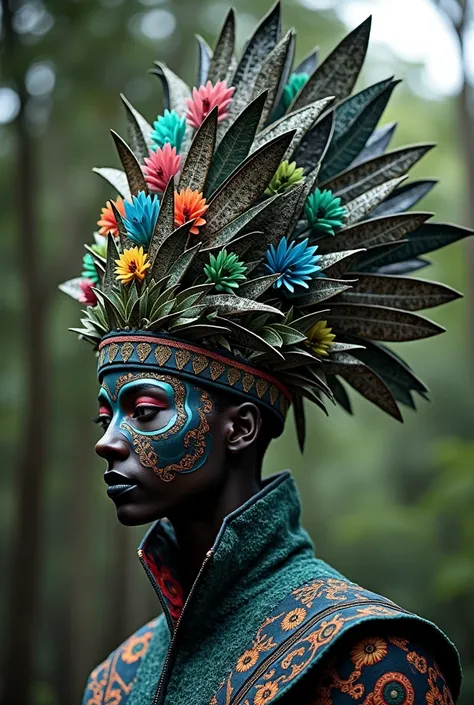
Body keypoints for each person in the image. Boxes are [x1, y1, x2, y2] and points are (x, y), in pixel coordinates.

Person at [59, 3, 471, 703]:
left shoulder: (371, 662)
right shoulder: (111, 682)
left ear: (241, 426)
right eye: (107, 413)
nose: (108, 440)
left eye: (146, 408)